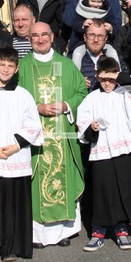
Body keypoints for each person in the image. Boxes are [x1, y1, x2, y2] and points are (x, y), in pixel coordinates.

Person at [18, 22, 88, 247]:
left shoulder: (65, 65)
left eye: (44, 35)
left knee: (62, 177)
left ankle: (63, 233)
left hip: (62, 133)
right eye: (35, 36)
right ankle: (36, 235)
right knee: (36, 182)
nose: (40, 39)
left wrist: (67, 105)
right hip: (36, 135)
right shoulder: (22, 67)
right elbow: (14, 100)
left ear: (52, 36)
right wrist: (37, 108)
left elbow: (81, 92)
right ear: (29, 39)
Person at [0, 47, 44, 262]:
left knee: (14, 204)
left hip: (16, 155)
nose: (5, 69)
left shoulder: (24, 95)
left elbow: (33, 124)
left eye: (10, 65)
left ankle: (11, 247)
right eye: (1, 64)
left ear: (16, 68)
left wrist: (16, 145)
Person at [77, 57, 131, 251]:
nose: (108, 83)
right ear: (98, 78)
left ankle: (122, 229)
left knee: (124, 190)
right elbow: (83, 121)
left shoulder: (125, 93)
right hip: (102, 151)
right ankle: (98, 231)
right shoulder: (92, 98)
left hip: (125, 148)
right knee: (103, 192)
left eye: (111, 79)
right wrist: (91, 127)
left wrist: (117, 76)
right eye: (103, 79)